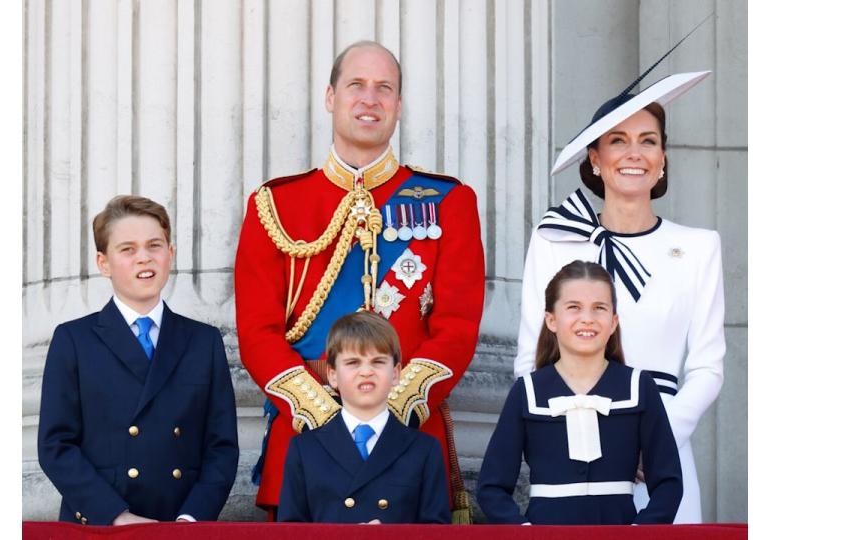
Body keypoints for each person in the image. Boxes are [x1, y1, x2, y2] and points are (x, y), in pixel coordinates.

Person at [235, 40, 484, 521]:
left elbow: (456, 326)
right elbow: (256, 331)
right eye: (356, 86)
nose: (370, 99)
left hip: (409, 441)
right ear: (331, 97)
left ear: (398, 105)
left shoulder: (449, 200)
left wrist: (390, 405)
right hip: (305, 435)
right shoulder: (274, 205)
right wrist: (326, 415)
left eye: (384, 88)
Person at [513, 68, 724, 523]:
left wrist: (658, 440)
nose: (635, 153)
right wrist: (557, 441)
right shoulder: (555, 240)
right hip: (572, 448)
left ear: (663, 157)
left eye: (648, 140)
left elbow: (708, 366)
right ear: (594, 157)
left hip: (664, 452)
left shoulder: (699, 246)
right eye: (618, 140)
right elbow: (530, 359)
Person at [37, 195, 239, 525]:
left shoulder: (204, 342)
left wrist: (191, 520)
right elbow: (56, 446)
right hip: (100, 525)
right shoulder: (74, 340)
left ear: (170, 254)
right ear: (104, 263)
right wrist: (117, 517)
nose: (144, 258)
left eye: (154, 246)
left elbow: (222, 447)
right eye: (127, 249)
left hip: (178, 525)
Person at [480, 260, 681, 524]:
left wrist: (640, 531)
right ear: (551, 319)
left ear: (613, 321)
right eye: (574, 307)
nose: (587, 318)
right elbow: (492, 487)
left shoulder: (639, 387)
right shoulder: (527, 391)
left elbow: (669, 483)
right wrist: (524, 530)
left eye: (600, 308)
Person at [277, 311, 450, 523]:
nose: (366, 371)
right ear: (332, 375)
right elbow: (289, 532)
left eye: (378, 362)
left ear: (396, 373)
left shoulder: (424, 450)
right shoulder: (304, 449)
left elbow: (437, 533)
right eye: (353, 363)